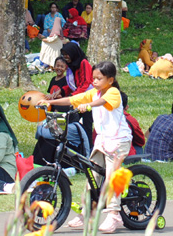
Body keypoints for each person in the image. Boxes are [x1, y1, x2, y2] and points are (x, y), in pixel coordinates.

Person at [43, 61, 130, 233]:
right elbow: (74, 99)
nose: (95, 81)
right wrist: (50, 102)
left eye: (99, 78)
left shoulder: (113, 93)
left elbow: (103, 102)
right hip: (103, 140)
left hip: (118, 140)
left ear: (110, 80)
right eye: (94, 78)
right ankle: (87, 212)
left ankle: (114, 214)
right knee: (92, 175)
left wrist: (89, 105)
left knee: (112, 177)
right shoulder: (94, 93)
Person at [61, 42, 94, 139]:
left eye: (67, 54)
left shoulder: (83, 63)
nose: (65, 57)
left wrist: (73, 96)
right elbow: (72, 84)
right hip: (78, 97)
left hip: (87, 98)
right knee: (72, 122)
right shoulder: (71, 65)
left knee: (87, 125)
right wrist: (61, 91)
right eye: (64, 55)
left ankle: (88, 147)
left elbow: (85, 83)